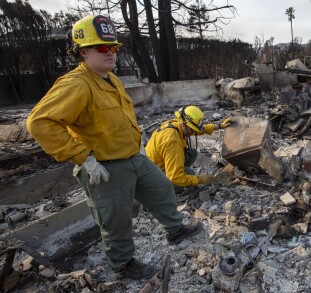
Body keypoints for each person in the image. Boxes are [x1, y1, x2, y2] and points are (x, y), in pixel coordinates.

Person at [26, 15, 201, 280]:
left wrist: (137, 142)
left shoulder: (112, 79)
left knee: (162, 187)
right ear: (83, 51)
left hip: (132, 158)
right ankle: (123, 264)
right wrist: (82, 157)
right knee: (117, 220)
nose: (111, 53)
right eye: (103, 48)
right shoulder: (77, 84)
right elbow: (39, 123)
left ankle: (175, 230)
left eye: (114, 48)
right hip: (104, 167)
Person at [145, 105, 233, 192]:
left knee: (191, 154)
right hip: (152, 173)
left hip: (159, 161)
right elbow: (175, 177)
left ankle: (176, 170)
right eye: (192, 129)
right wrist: (199, 180)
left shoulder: (178, 123)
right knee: (189, 174)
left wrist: (219, 126)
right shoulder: (173, 143)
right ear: (184, 124)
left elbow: (198, 128)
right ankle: (162, 189)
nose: (194, 132)